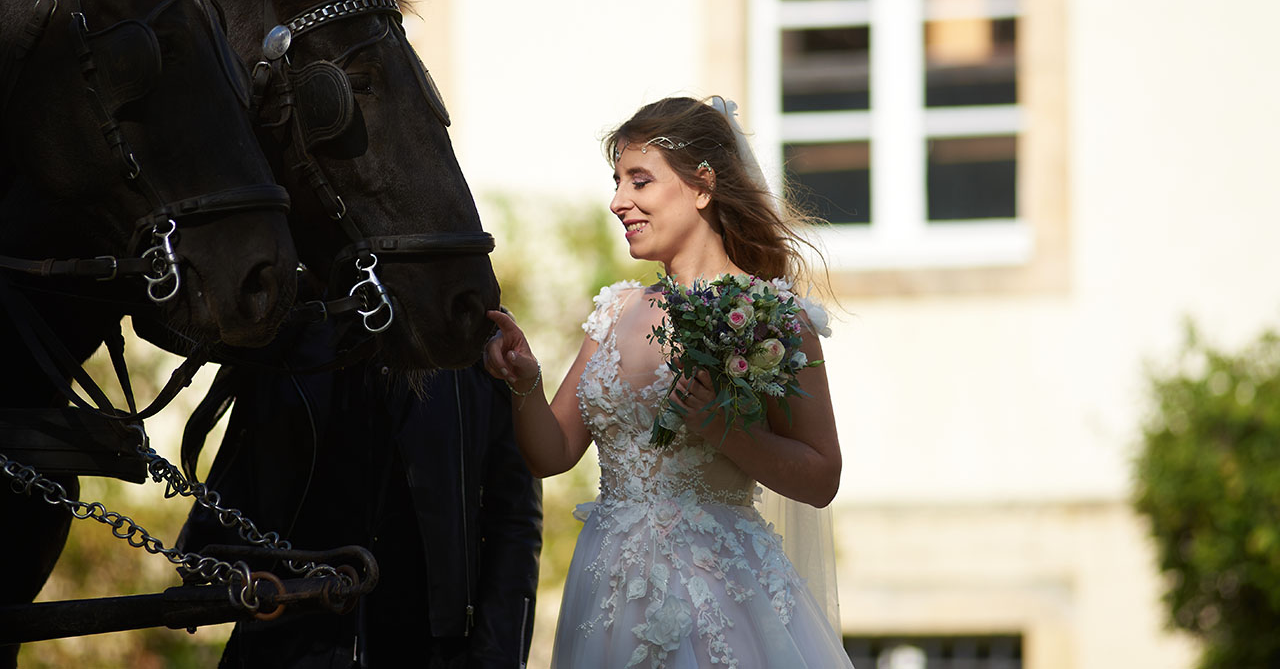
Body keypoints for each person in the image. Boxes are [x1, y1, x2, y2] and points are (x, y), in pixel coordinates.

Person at [484, 96, 854, 668]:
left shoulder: (771, 316)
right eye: (617, 183)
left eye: (639, 181)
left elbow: (821, 476)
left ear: (702, 185)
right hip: (609, 591)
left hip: (718, 595)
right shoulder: (614, 312)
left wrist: (723, 429)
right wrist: (525, 382)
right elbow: (551, 453)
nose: (617, 202)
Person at [177, 311, 543, 669]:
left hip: (432, 651)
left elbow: (514, 521)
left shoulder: (476, 338)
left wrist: (497, 658)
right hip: (292, 646)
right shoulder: (291, 324)